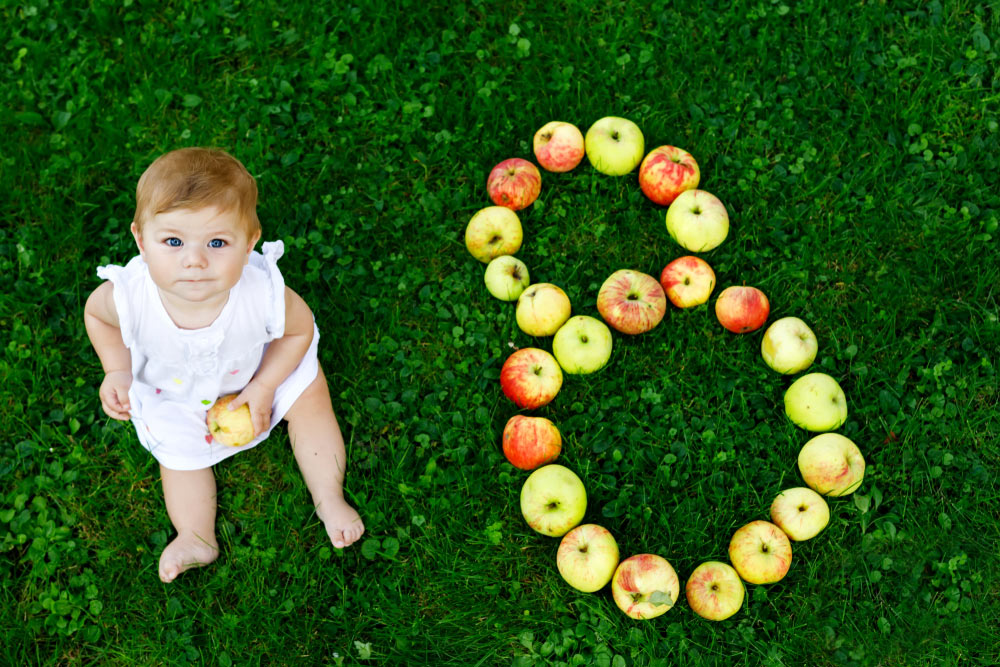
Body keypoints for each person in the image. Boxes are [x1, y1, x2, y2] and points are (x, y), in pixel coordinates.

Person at [84, 147, 364, 582]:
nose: (194, 260)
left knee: (309, 395)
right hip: (173, 389)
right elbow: (96, 317)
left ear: (249, 242)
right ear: (141, 240)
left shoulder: (260, 292)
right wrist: (117, 370)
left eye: (217, 242)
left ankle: (329, 496)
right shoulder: (129, 295)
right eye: (173, 242)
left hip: (254, 368)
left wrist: (267, 384)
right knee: (179, 456)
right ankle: (196, 536)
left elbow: (299, 329)